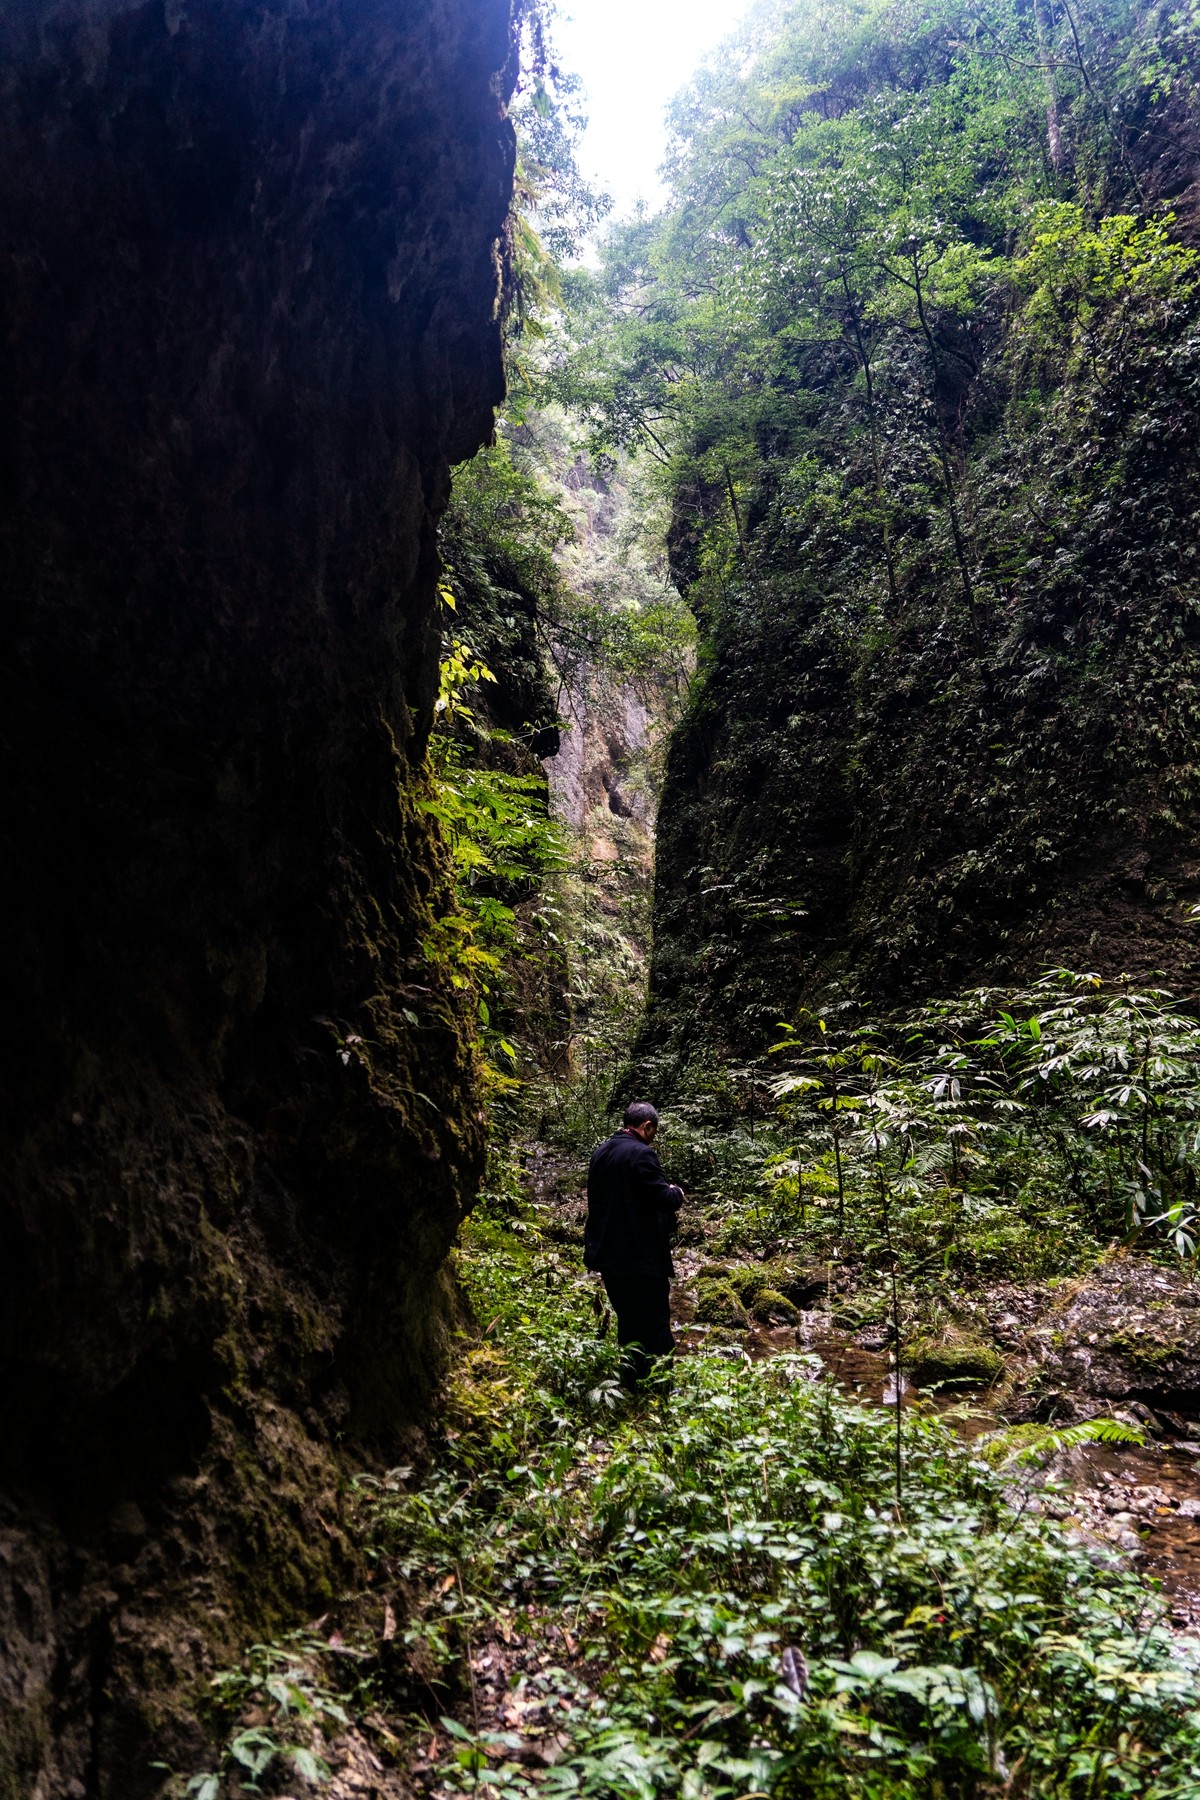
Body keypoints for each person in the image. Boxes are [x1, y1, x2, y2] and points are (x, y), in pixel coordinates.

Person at [585, 1101, 684, 1387]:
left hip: (608, 1254)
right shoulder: (642, 1154)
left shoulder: (600, 1152)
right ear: (646, 1126)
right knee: (655, 1320)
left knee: (628, 1319)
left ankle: (630, 1379)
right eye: (654, 1131)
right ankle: (661, 1384)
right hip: (641, 1257)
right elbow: (662, 1198)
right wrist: (676, 1192)